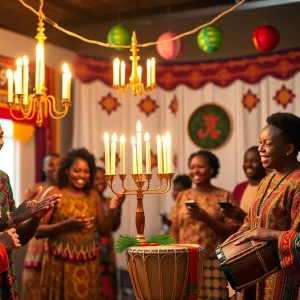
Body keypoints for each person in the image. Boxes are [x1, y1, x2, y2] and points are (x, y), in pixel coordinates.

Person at [227, 112, 300, 300]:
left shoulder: (298, 183)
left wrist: (272, 234)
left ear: (288, 148)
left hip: (286, 279)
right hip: (257, 272)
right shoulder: (266, 181)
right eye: (260, 142)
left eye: (267, 144)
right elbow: (253, 218)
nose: (260, 149)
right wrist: (243, 230)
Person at [36, 148, 124, 300]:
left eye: (86, 171)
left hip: (89, 265)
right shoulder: (54, 192)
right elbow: (37, 231)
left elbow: (104, 230)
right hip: (60, 265)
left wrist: (112, 209)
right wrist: (67, 224)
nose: (81, 176)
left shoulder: (93, 195)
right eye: (77, 170)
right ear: (66, 170)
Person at [0, 124, 61, 299]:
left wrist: (34, 220)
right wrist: (12, 217)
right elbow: (10, 220)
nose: (1, 142)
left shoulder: (3, 179)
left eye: (2, 136)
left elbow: (17, 236)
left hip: (5, 273)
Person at [169, 150, 240, 299]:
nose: (195, 170)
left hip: (215, 263)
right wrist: (173, 256)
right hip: (186, 261)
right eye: (192, 166)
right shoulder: (183, 195)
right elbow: (174, 229)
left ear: (211, 169)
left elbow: (233, 232)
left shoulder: (224, 195)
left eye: (200, 166)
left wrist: (206, 219)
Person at [21, 153, 60, 300]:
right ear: (43, 167)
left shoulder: (64, 190)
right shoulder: (35, 189)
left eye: (58, 164)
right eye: (51, 164)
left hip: (56, 245)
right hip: (36, 243)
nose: (55, 168)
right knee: (32, 284)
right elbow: (24, 218)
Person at [93, 166, 123, 300]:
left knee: (108, 289)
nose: (101, 182)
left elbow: (114, 227)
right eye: (97, 178)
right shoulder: (88, 200)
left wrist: (119, 207)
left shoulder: (109, 201)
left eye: (104, 178)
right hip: (91, 250)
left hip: (107, 251)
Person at [222, 146, 266, 223]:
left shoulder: (273, 186)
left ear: (264, 162)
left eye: (254, 161)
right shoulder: (239, 188)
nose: (248, 165)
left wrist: (244, 217)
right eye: (246, 161)